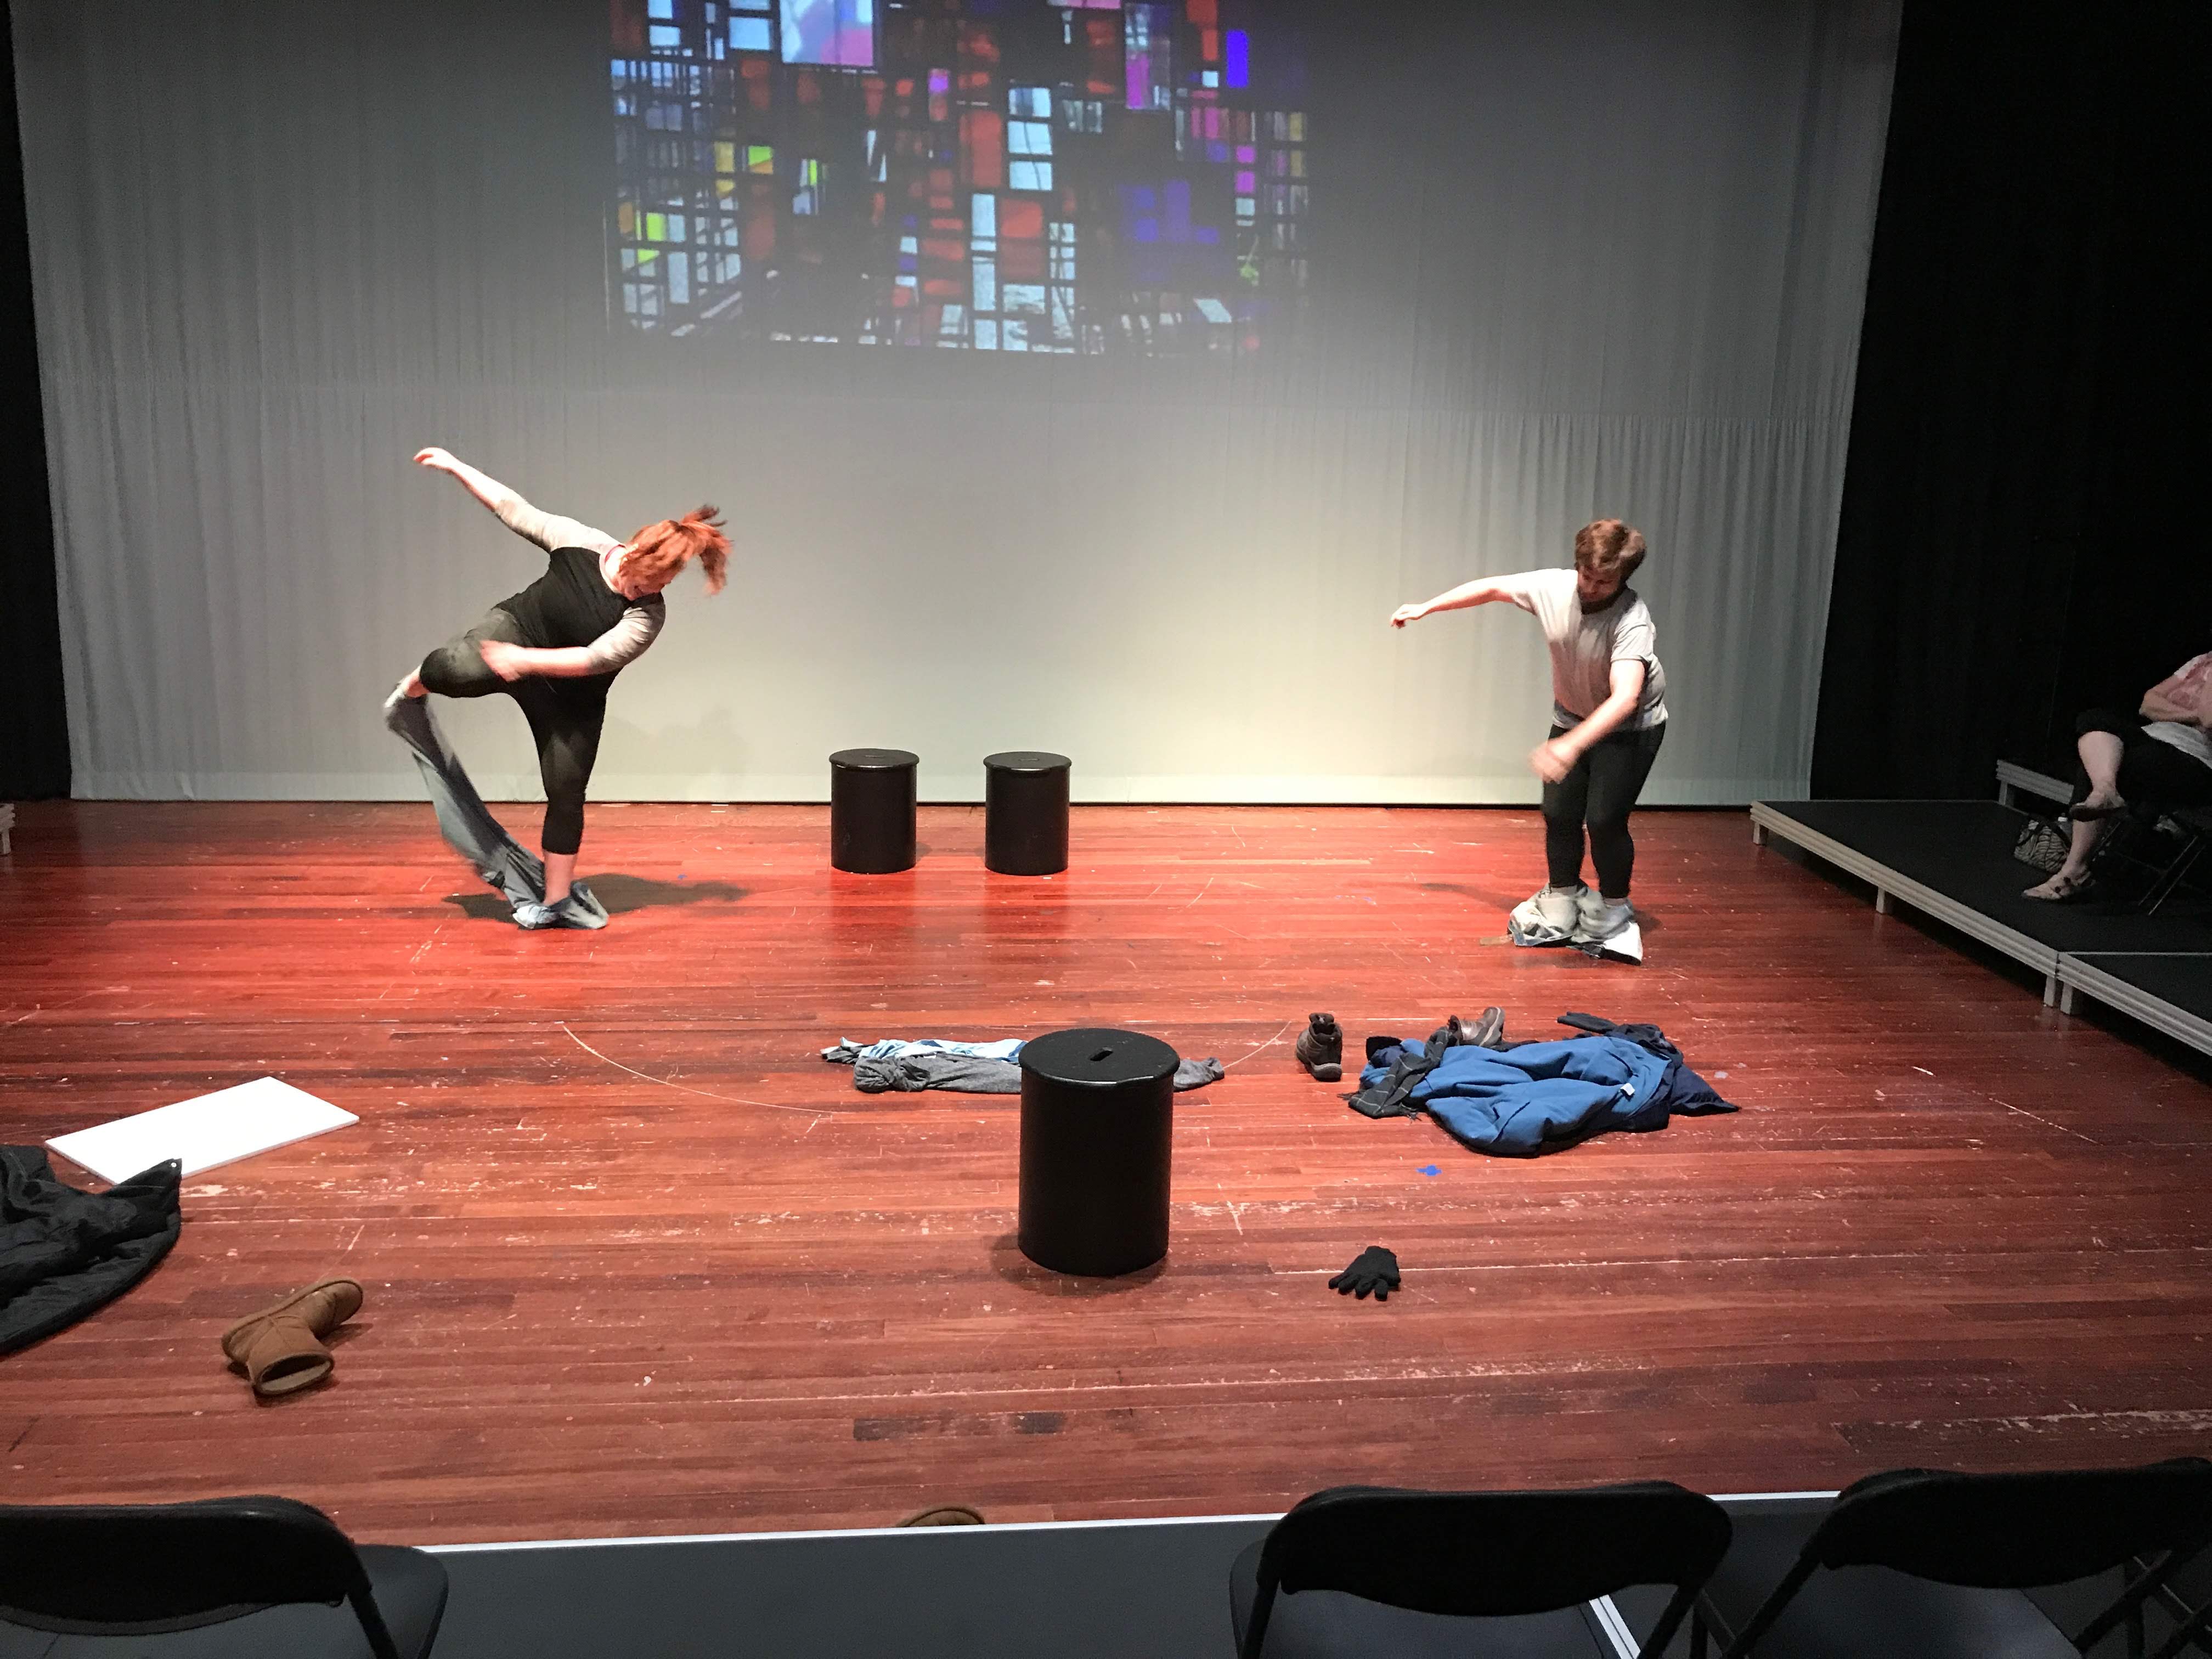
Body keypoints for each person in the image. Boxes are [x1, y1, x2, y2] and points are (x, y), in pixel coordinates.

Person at [387, 448, 729, 928]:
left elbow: (593, 660)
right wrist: (457, 467)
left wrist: (525, 662)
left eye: (661, 586)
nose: (648, 592)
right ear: (632, 551)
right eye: (642, 583)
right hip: (519, 629)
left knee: (567, 791)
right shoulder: (581, 542)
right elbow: (513, 509)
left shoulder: (648, 616)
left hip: (572, 696)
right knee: (460, 670)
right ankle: (412, 686)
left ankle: (556, 900)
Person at [1391, 520, 1667, 939]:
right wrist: (1427, 607)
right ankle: (1563, 894)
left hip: (1629, 728)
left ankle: (1615, 905)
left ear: (1623, 579)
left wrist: (1570, 746)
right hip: (1573, 715)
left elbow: (1625, 697)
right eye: (1587, 576)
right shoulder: (1554, 587)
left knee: (1604, 820)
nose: (1592, 588)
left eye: (1604, 582)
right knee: (1558, 813)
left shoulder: (1633, 619)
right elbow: (1492, 588)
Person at [2024, 652, 2212, 901]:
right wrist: (2192, 715)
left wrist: (2180, 711)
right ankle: (2105, 791)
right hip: (2152, 739)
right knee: (2094, 722)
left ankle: (2074, 870)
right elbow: (2148, 704)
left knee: (2104, 760)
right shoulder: (2201, 662)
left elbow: (2209, 719)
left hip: (2197, 761)